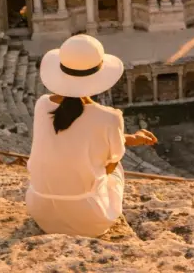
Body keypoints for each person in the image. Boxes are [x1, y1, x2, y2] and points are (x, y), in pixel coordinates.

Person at [26, 34, 157, 237]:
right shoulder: (110, 117)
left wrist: (132, 138)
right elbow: (108, 165)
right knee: (116, 164)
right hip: (88, 219)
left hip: (41, 211)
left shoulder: (42, 104)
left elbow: (75, 136)